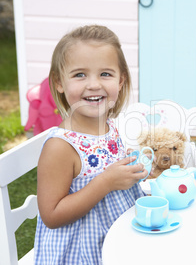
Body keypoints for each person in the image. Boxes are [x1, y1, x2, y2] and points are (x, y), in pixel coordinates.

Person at [34, 25, 148, 264]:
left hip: (117, 236)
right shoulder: (60, 146)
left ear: (121, 80)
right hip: (82, 251)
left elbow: (107, 170)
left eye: (105, 74)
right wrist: (105, 182)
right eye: (79, 75)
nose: (94, 84)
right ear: (59, 82)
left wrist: (129, 168)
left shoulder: (109, 125)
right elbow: (52, 216)